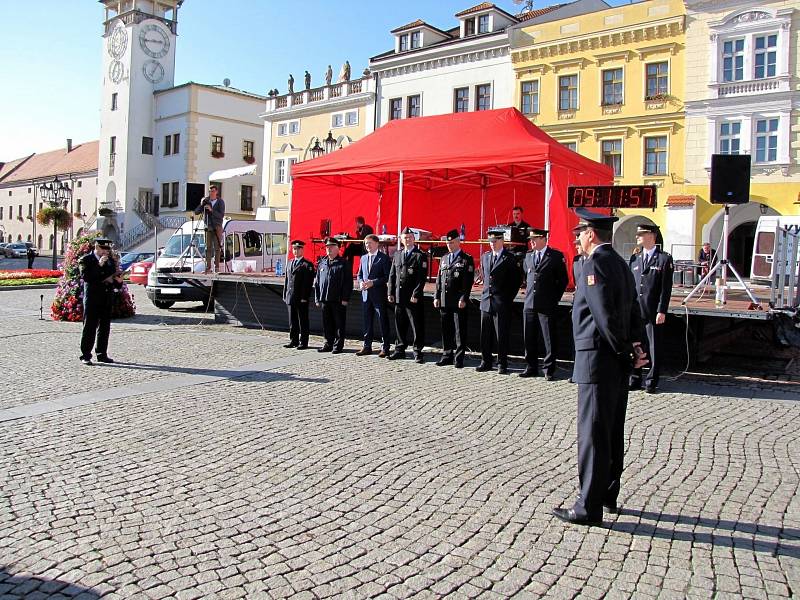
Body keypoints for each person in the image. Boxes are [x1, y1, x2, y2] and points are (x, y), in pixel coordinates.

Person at [552, 208, 647, 526]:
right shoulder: (620, 263)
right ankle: (608, 493)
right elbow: (634, 308)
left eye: (580, 233)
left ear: (591, 234)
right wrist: (635, 347)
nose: (577, 238)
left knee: (593, 433)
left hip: (598, 359)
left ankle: (587, 506)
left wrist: (623, 349)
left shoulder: (593, 264)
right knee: (611, 429)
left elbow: (603, 314)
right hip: (617, 361)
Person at [629, 224, 674, 394]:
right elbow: (631, 285)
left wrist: (662, 310)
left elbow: (665, 288)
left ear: (651, 235)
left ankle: (652, 381)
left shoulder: (663, 259)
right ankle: (635, 378)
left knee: (654, 346)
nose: (637, 237)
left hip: (653, 310)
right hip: (636, 311)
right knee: (636, 345)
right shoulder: (635, 258)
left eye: (641, 234)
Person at [521, 229, 568, 380]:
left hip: (547, 303)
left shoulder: (554, 256)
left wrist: (554, 299)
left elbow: (562, 281)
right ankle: (531, 366)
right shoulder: (528, 256)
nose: (531, 242)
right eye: (530, 239)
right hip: (529, 303)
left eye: (534, 239)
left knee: (549, 337)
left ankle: (549, 368)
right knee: (529, 336)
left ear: (543, 239)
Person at [476, 230, 522, 374]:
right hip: (486, 300)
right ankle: (486, 361)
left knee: (501, 334)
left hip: (501, 301)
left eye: (495, 241)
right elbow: (484, 276)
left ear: (502, 241)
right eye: (490, 242)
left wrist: (507, 298)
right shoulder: (485, 257)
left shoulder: (509, 258)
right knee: (485, 334)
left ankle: (502, 363)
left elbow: (516, 281)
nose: (492, 244)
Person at [78, 238, 123, 365]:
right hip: (92, 298)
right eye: (104, 249)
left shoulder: (110, 261)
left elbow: (111, 278)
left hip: (106, 297)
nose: (106, 252)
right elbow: (87, 277)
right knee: (90, 326)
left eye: (108, 250)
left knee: (104, 327)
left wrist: (118, 282)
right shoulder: (86, 260)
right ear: (97, 247)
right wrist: (99, 266)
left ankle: (102, 353)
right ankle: (85, 355)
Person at [434, 229, 475, 368]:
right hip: (445, 299)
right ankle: (447, 354)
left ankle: (459, 358)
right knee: (446, 329)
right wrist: (436, 296)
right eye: (447, 243)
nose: (449, 245)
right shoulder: (444, 258)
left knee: (459, 330)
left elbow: (468, 282)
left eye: (452, 242)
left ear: (458, 242)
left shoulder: (466, 258)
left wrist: (464, 298)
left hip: (458, 300)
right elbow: (439, 279)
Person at [388, 227, 427, 363]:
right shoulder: (398, 254)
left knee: (416, 324)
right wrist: (390, 292)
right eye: (405, 238)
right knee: (399, 323)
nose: (408, 240)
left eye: (410, 237)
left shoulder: (420, 255)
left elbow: (422, 278)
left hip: (412, 297)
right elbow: (392, 274)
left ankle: (417, 351)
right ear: (401, 239)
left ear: (414, 239)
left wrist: (416, 293)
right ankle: (400, 349)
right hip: (399, 295)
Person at [314, 238, 353, 354]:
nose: (328, 249)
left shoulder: (343, 263)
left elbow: (348, 283)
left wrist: (345, 298)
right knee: (327, 323)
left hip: (338, 299)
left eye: (331, 247)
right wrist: (317, 298)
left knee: (339, 324)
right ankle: (328, 343)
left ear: (338, 248)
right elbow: (317, 282)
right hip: (325, 299)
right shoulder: (322, 263)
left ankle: (338, 345)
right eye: (327, 247)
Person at [356, 234, 392, 358]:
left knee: (382, 320)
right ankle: (367, 346)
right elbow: (359, 274)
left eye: (370, 243)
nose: (368, 246)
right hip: (366, 294)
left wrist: (373, 282)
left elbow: (387, 277)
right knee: (367, 321)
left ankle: (385, 347)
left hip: (379, 294)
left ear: (377, 244)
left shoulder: (383, 258)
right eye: (366, 244)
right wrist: (360, 282)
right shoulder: (363, 258)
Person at [283, 240, 315, 350]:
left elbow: (308, 284)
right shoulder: (290, 263)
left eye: (298, 249)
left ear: (302, 250)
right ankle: (294, 340)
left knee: (303, 320)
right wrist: (285, 295)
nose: (295, 251)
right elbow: (287, 281)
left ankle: (304, 342)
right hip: (290, 296)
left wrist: (304, 297)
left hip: (301, 298)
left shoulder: (307, 265)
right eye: (294, 249)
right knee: (292, 320)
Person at [194, 185, 225, 273]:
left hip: (217, 226)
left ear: (217, 192)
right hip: (207, 226)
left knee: (217, 247)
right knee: (208, 247)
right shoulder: (206, 201)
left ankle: (217, 267)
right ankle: (208, 267)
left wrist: (212, 210)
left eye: (213, 191)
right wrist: (201, 204)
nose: (211, 193)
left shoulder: (220, 202)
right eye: (210, 191)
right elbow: (196, 212)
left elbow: (221, 215)